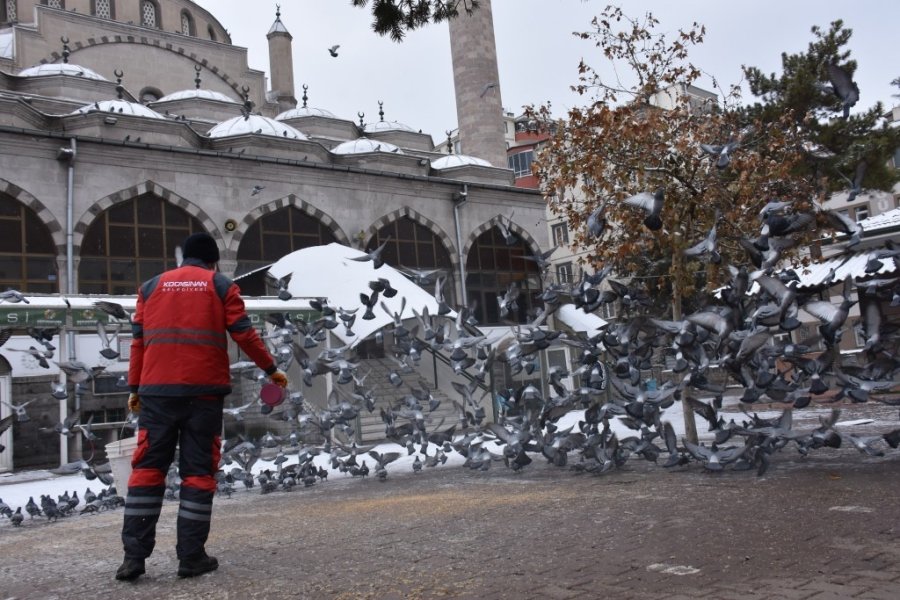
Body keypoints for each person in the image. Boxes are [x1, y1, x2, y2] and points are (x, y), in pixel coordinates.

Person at [116, 232, 288, 581]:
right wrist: (271, 369)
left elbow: (137, 343)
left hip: (156, 394)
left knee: (148, 470)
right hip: (203, 395)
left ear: (183, 259)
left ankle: (133, 558)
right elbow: (244, 334)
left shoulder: (150, 287)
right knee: (197, 474)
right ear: (213, 261)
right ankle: (190, 557)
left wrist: (135, 387)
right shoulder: (220, 285)